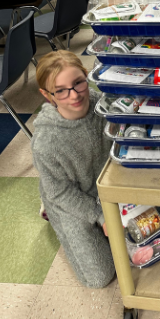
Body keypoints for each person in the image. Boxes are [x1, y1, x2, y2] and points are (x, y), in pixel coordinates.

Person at [30, 50, 114, 288]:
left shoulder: (102, 105)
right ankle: (49, 211)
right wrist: (99, 215)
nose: (74, 95)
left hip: (104, 182)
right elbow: (60, 192)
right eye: (61, 90)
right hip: (69, 196)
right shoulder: (46, 142)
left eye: (78, 83)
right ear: (48, 95)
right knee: (99, 278)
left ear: (86, 76)